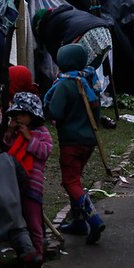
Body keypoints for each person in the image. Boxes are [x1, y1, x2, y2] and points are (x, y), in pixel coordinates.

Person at [44, 44, 106, 244]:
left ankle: (93, 219)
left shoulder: (65, 84)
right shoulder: (89, 79)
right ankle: (78, 222)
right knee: (75, 180)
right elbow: (96, 112)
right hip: (89, 141)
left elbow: (55, 112)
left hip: (71, 141)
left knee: (70, 182)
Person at [0, 122, 39, 268]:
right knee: (19, 230)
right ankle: (29, 251)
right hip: (14, 203)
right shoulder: (11, 159)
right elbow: (23, 178)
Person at [6, 92, 52, 262]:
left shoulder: (42, 133)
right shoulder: (15, 132)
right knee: (18, 221)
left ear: (33, 116)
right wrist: (10, 132)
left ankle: (38, 253)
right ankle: (24, 252)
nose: (19, 118)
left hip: (33, 184)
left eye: (23, 114)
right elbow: (7, 151)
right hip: (15, 185)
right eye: (16, 114)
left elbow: (45, 152)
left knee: (34, 222)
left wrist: (29, 138)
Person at [33, 5, 113, 69]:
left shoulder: (49, 26)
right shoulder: (68, 12)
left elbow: (58, 56)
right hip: (103, 32)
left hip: (85, 36)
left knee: (73, 69)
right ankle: (90, 87)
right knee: (89, 70)